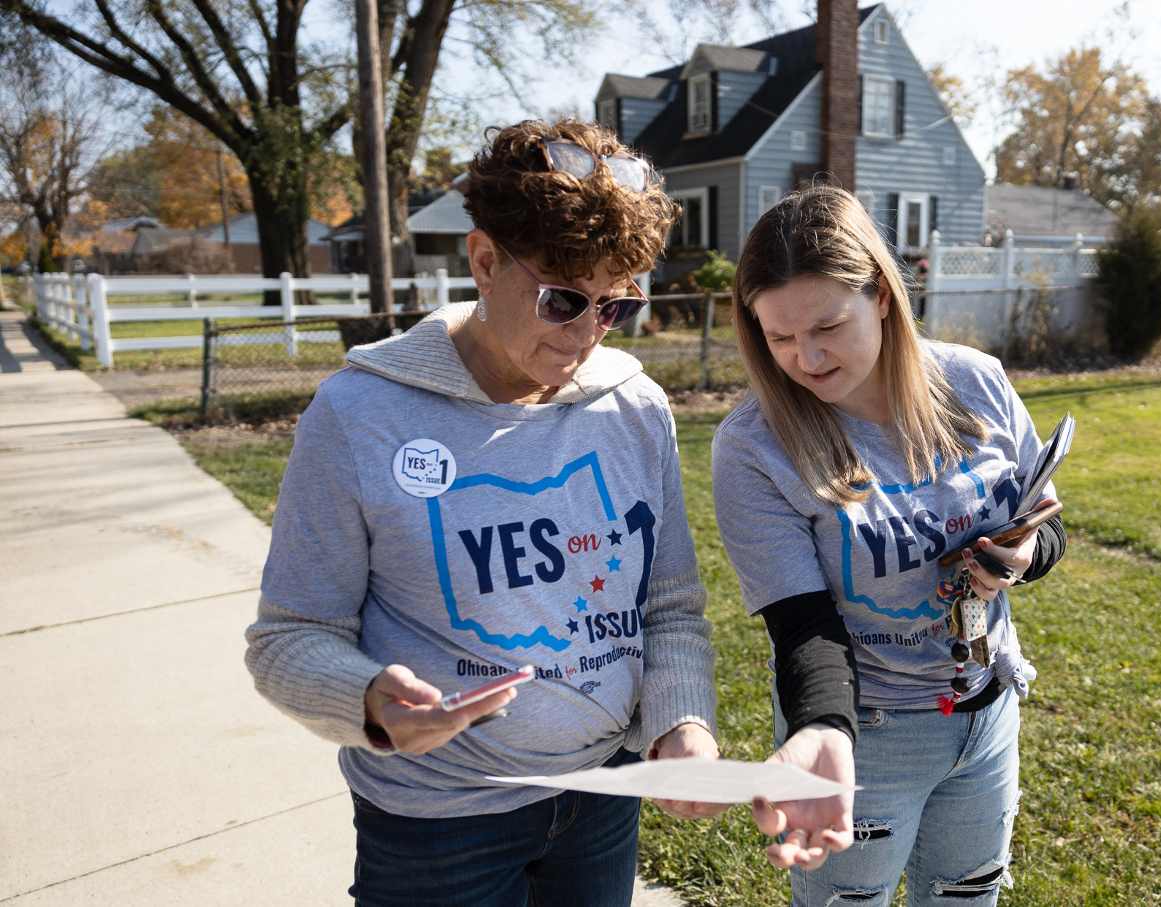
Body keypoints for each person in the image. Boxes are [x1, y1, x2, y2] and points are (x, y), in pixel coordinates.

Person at [245, 119, 723, 906]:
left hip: (603, 798)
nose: (585, 333)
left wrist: (683, 724)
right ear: (484, 259)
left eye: (614, 306)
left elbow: (669, 610)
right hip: (437, 821)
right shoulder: (359, 414)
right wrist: (367, 699)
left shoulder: (636, 408)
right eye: (563, 299)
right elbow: (289, 637)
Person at [711, 185, 1066, 906]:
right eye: (779, 337)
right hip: (865, 736)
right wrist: (824, 732)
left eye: (827, 326)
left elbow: (1049, 521)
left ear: (880, 293)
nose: (806, 357)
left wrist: (1026, 557)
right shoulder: (753, 448)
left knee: (967, 896)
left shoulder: (978, 382)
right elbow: (804, 626)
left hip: (988, 712)